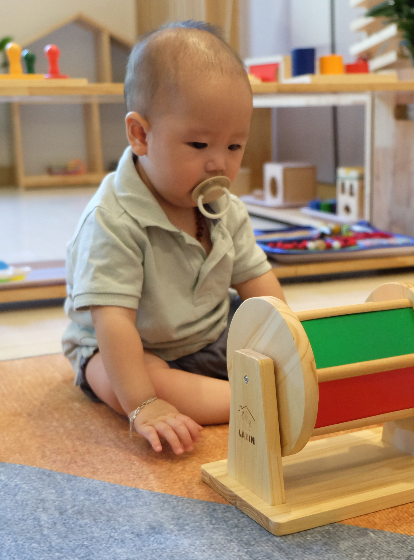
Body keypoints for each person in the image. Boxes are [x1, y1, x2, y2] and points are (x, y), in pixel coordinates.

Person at [62, 22, 285, 456]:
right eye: (199, 145)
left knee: (264, 333)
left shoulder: (224, 207)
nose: (218, 164)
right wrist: (143, 403)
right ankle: (258, 400)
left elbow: (258, 284)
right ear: (140, 135)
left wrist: (288, 342)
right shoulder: (113, 220)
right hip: (131, 347)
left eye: (235, 147)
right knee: (128, 380)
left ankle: (275, 386)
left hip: (209, 332)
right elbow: (113, 323)